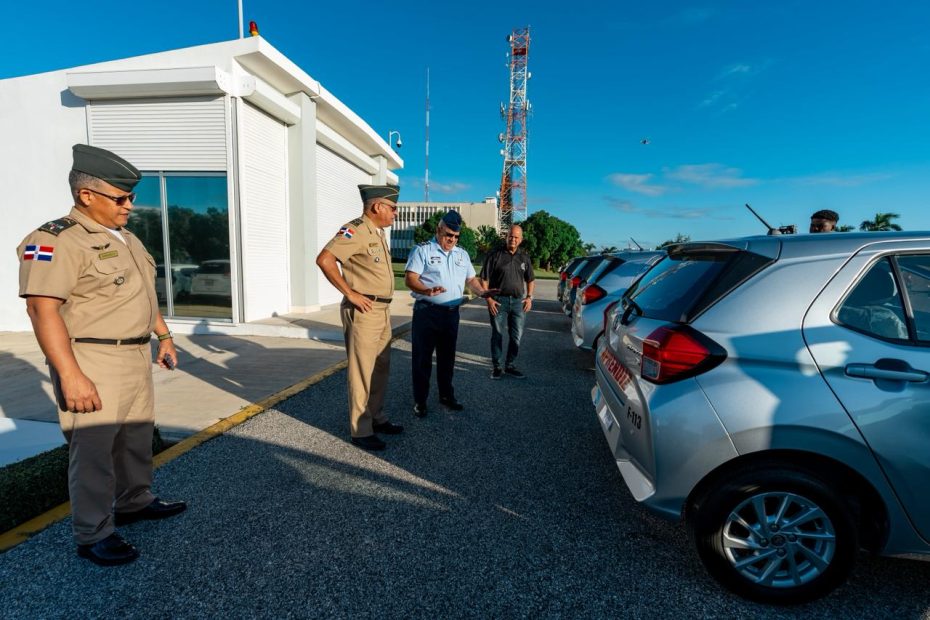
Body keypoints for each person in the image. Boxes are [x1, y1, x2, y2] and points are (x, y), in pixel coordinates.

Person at [17, 144, 186, 566]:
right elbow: (41, 309)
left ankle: (134, 501)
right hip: (91, 359)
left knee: (134, 439)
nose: (130, 205)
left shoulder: (126, 237)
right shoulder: (55, 239)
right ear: (86, 195)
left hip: (134, 355)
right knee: (93, 451)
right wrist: (71, 375)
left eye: (131, 197)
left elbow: (143, 295)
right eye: (121, 197)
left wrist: (163, 335)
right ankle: (92, 532)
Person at [316, 184, 404, 451]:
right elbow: (325, 259)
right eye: (393, 208)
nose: (396, 213)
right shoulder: (355, 230)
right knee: (362, 372)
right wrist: (350, 293)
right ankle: (361, 430)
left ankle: (376, 417)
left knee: (380, 368)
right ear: (377, 206)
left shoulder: (376, 233)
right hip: (364, 311)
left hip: (381, 310)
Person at [404, 211, 496, 416]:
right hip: (427, 312)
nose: (452, 240)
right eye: (448, 235)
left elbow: (471, 280)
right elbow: (410, 279)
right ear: (438, 230)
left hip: (451, 314)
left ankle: (446, 396)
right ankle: (420, 401)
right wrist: (426, 290)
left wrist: (482, 292)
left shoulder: (462, 254)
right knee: (422, 359)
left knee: (447, 358)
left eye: (456, 236)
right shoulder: (422, 250)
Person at [480, 224, 535, 379]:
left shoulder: (524, 257)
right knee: (497, 334)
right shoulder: (495, 255)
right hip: (498, 302)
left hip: (518, 302)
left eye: (516, 237)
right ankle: (497, 367)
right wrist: (488, 299)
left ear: (521, 239)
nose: (513, 239)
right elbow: (484, 279)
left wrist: (529, 297)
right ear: (506, 237)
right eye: (511, 236)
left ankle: (510, 365)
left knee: (516, 336)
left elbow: (530, 279)